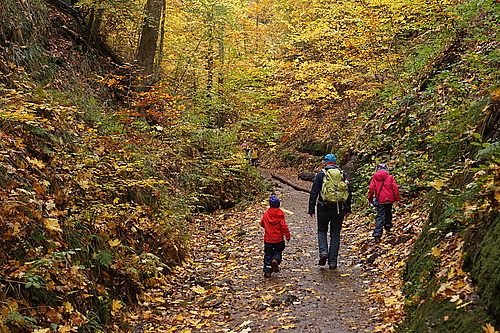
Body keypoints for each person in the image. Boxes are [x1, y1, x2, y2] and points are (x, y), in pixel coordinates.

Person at [308, 154, 352, 269]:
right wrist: (348, 209)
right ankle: (333, 262)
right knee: (335, 235)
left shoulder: (321, 174)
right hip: (339, 208)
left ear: (325, 162)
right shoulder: (343, 174)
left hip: (323, 207)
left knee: (322, 231)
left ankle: (323, 252)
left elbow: (314, 192)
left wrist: (311, 209)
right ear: (335, 162)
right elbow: (348, 192)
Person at [367, 163, 400, 243]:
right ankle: (388, 226)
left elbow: (371, 189)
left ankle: (377, 234)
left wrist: (370, 199)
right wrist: (397, 198)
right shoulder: (390, 177)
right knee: (388, 212)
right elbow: (395, 188)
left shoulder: (374, 178)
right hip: (390, 199)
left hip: (380, 200)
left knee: (380, 216)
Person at [260, 195, 291, 278]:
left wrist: (266, 226)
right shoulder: (280, 214)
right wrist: (287, 235)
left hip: (268, 239)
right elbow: (283, 226)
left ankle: (267, 271)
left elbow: (262, 223)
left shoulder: (266, 214)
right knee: (278, 251)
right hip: (278, 239)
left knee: (268, 254)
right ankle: (275, 260)